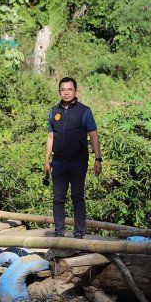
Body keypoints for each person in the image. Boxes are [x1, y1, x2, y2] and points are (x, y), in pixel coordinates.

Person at [44, 77, 102, 238]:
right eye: (63, 89)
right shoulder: (53, 111)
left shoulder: (85, 111)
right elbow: (50, 137)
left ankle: (79, 233)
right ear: (59, 92)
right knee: (58, 198)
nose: (67, 92)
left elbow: (94, 136)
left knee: (77, 196)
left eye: (70, 89)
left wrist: (98, 159)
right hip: (59, 162)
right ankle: (59, 232)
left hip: (78, 161)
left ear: (75, 91)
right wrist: (46, 161)